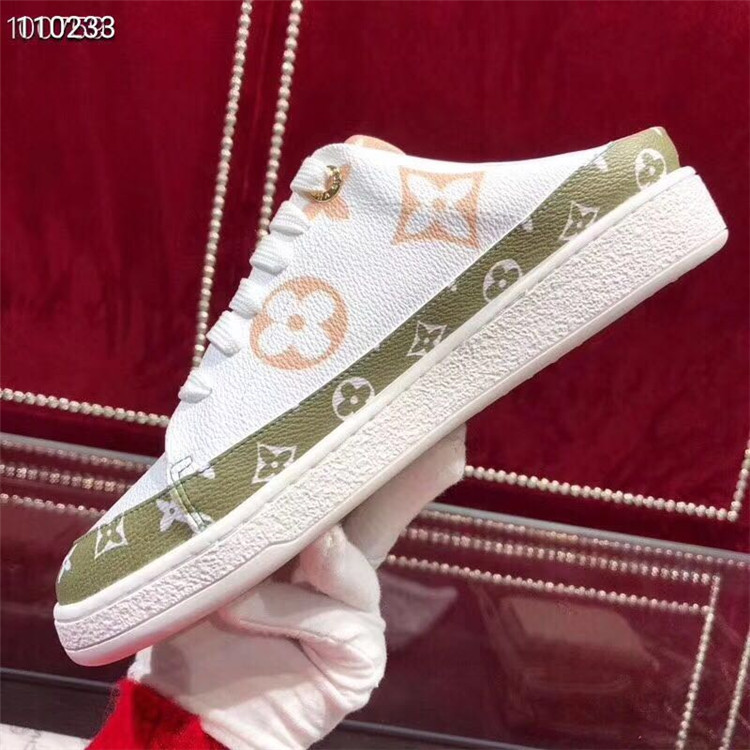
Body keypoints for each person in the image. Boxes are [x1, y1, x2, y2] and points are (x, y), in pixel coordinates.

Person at [89, 428, 466, 750]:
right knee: (334, 576)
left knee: (334, 575)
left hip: (178, 697)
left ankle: (409, 468)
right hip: (200, 705)